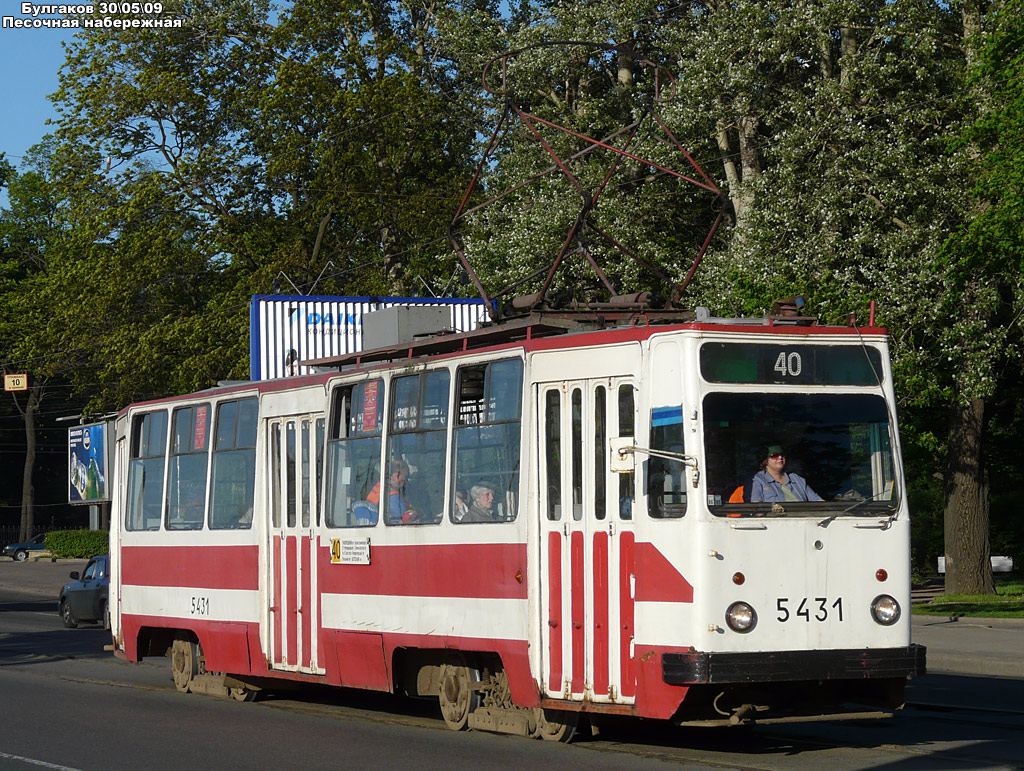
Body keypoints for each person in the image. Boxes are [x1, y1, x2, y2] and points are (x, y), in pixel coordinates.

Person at [750, 445, 822, 503]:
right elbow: (757, 509)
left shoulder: (796, 479)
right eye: (775, 455)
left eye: (782, 455)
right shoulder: (760, 480)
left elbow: (818, 501)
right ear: (765, 461)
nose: (780, 457)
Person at [368, 459, 419, 523]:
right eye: (405, 477)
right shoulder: (393, 496)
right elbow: (399, 523)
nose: (406, 481)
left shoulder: (380, 487)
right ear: (397, 475)